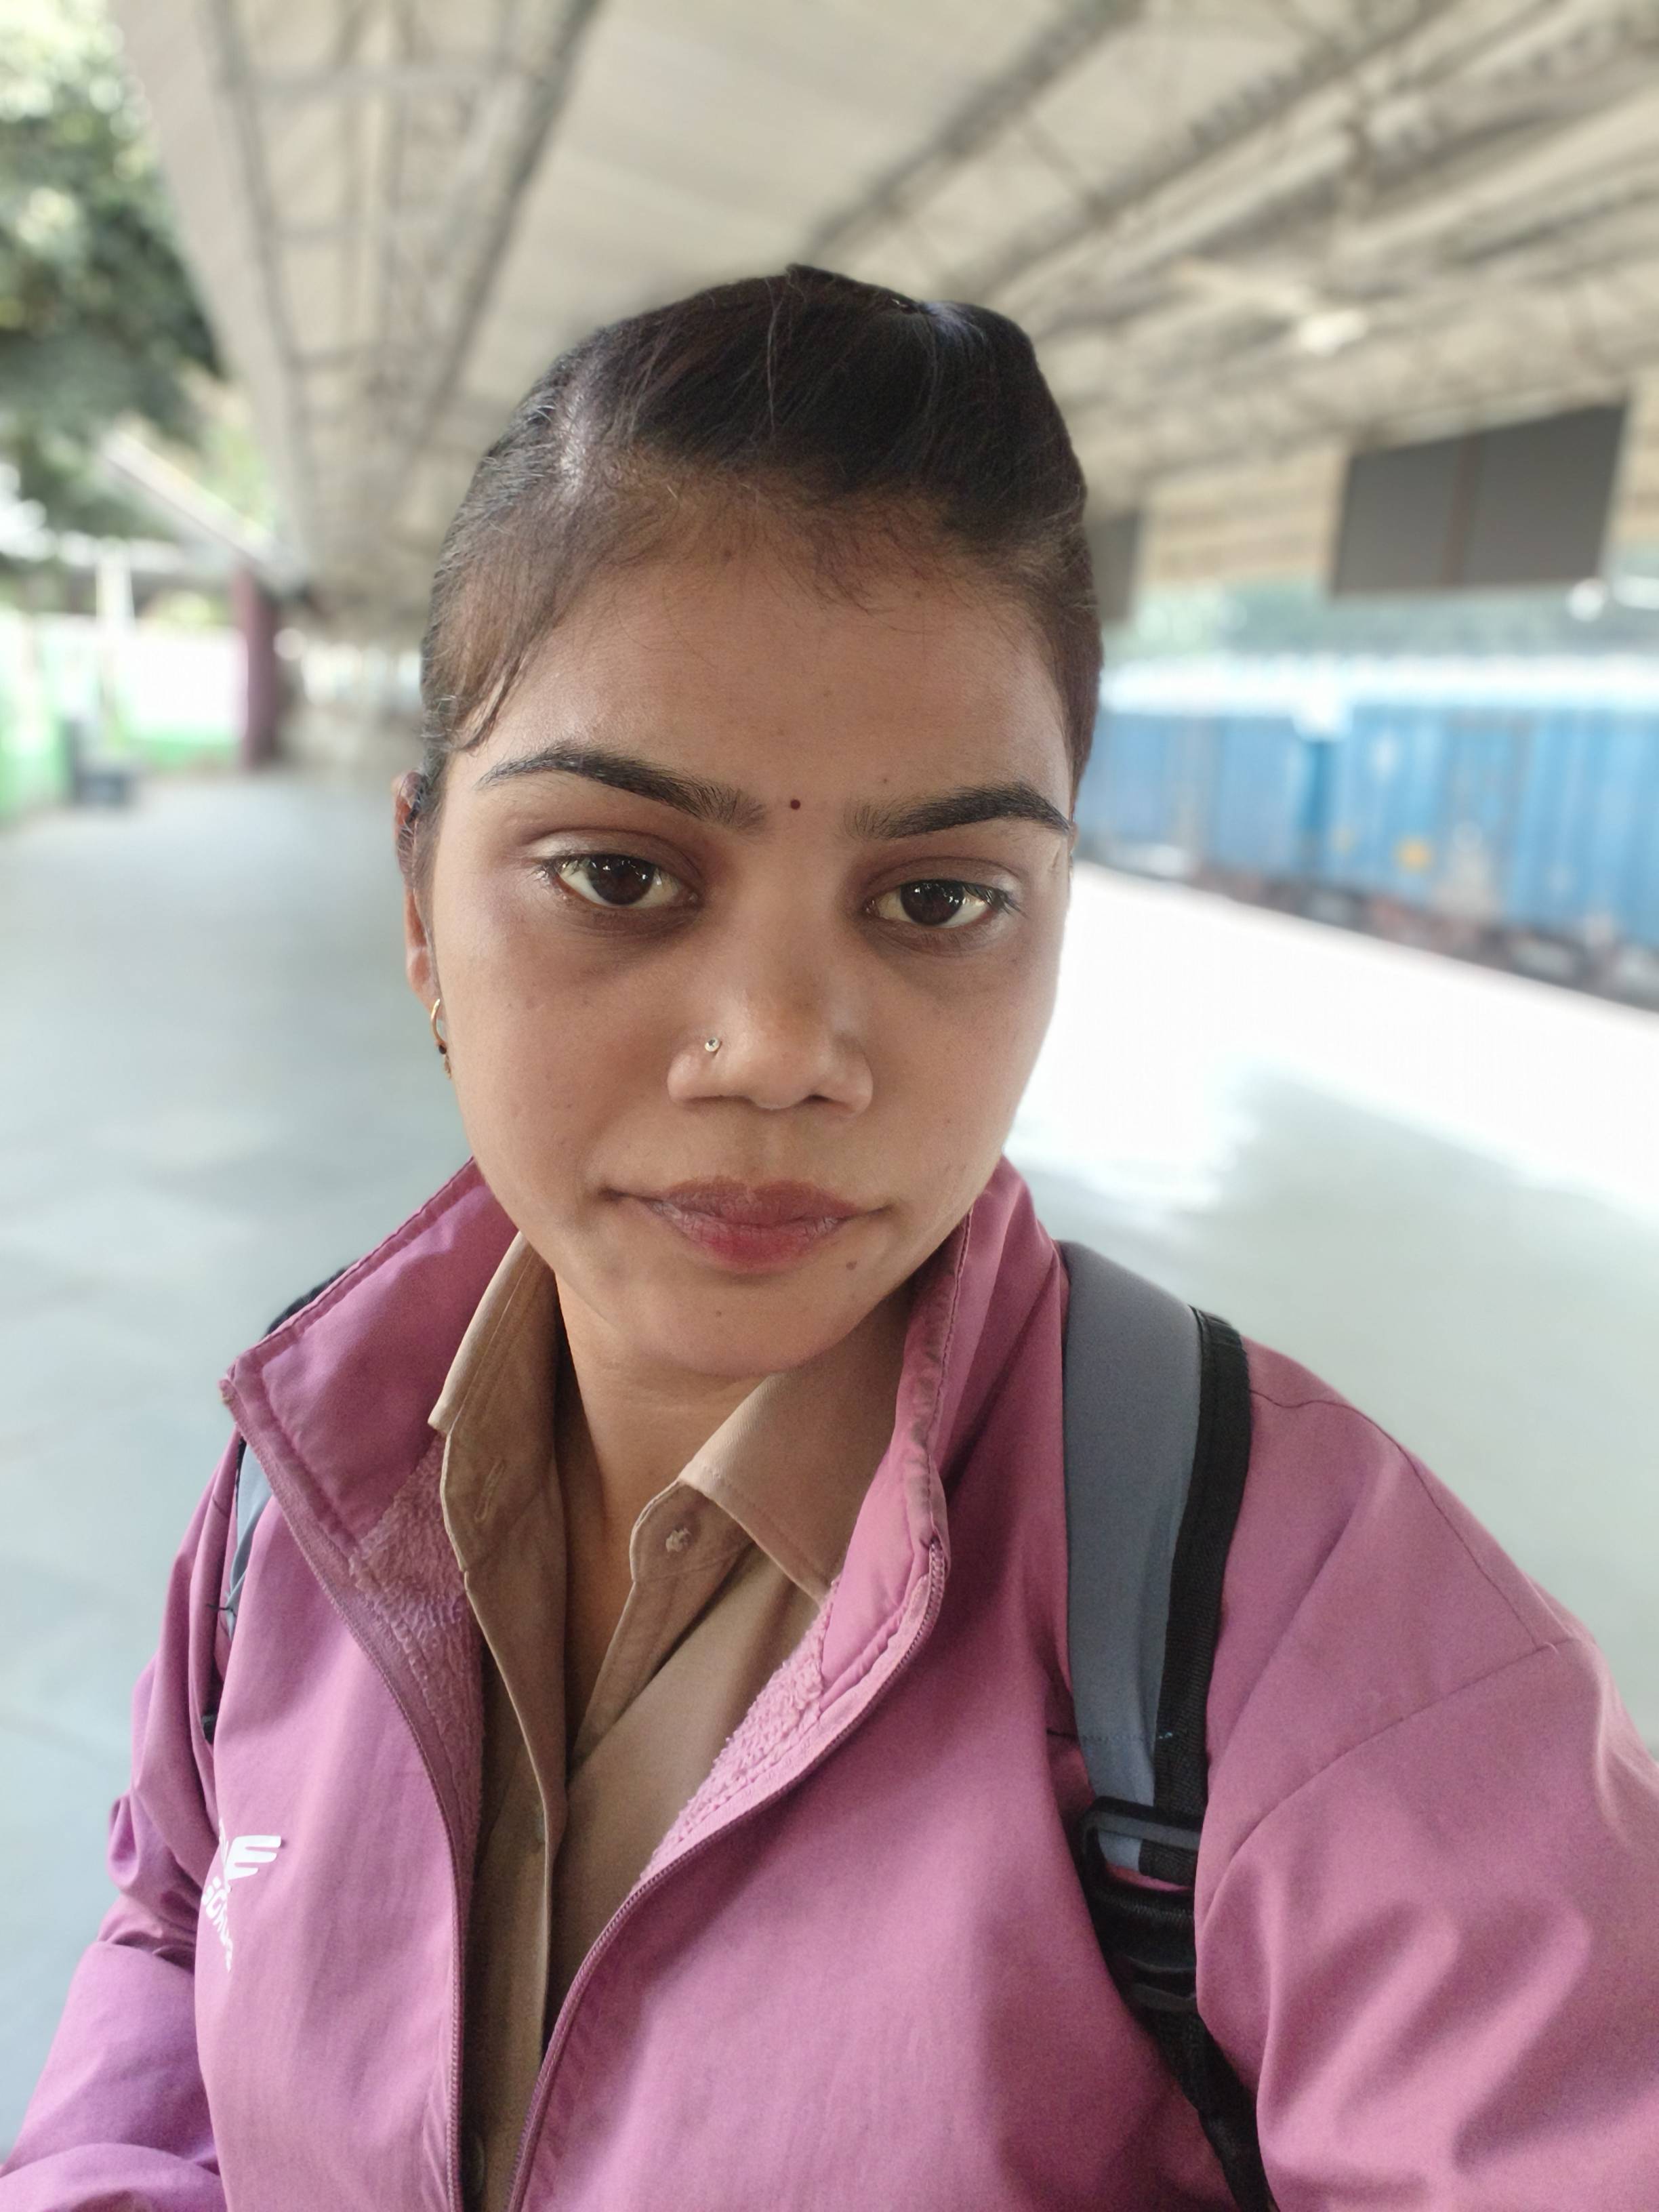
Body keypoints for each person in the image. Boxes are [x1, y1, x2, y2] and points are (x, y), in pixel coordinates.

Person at [4, 265, 1657, 2212]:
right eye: (619, 873)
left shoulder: (1308, 1639)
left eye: (941, 901)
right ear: (422, 901)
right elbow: (177, 1927)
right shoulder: (295, 1485)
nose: (785, 1050)